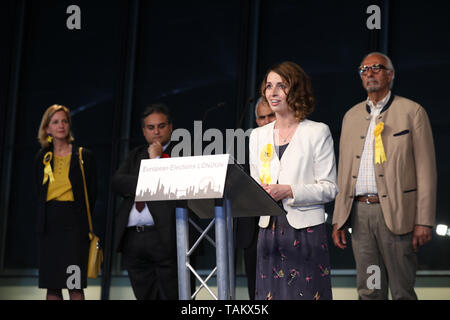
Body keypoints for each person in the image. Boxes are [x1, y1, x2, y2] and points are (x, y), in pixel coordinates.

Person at [332, 52, 437, 300]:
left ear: (390, 74)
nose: (369, 73)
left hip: (398, 213)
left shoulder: (412, 111)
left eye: (376, 68)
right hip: (360, 216)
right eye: (364, 69)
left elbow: (426, 170)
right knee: (369, 291)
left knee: (402, 291)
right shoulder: (351, 116)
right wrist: (339, 217)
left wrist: (424, 220)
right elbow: (344, 172)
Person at [249, 61, 338, 300]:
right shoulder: (257, 136)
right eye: (269, 86)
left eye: (281, 86)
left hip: (305, 231)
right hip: (268, 231)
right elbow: (256, 183)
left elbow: (329, 189)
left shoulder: (317, 131)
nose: (273, 92)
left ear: (296, 90)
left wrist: (289, 190)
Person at [112, 103, 179, 300]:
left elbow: (172, 184)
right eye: (151, 127)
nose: (156, 131)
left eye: (161, 126)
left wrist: (156, 161)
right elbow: (117, 182)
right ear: (144, 131)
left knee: (173, 295)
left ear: (170, 127)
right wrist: (151, 174)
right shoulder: (135, 155)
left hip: (164, 236)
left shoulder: (181, 152)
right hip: (133, 239)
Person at [33, 104, 97, 300]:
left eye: (64, 121)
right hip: (49, 226)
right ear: (47, 129)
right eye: (55, 122)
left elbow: (93, 193)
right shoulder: (42, 157)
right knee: (52, 287)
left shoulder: (83, 155)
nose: (61, 125)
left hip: (74, 227)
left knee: (74, 286)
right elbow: (37, 192)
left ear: (69, 125)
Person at [235, 97, 275, 300]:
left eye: (271, 116)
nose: (266, 121)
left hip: (283, 227)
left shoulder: (291, 145)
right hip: (252, 230)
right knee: (256, 293)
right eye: (262, 118)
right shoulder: (244, 147)